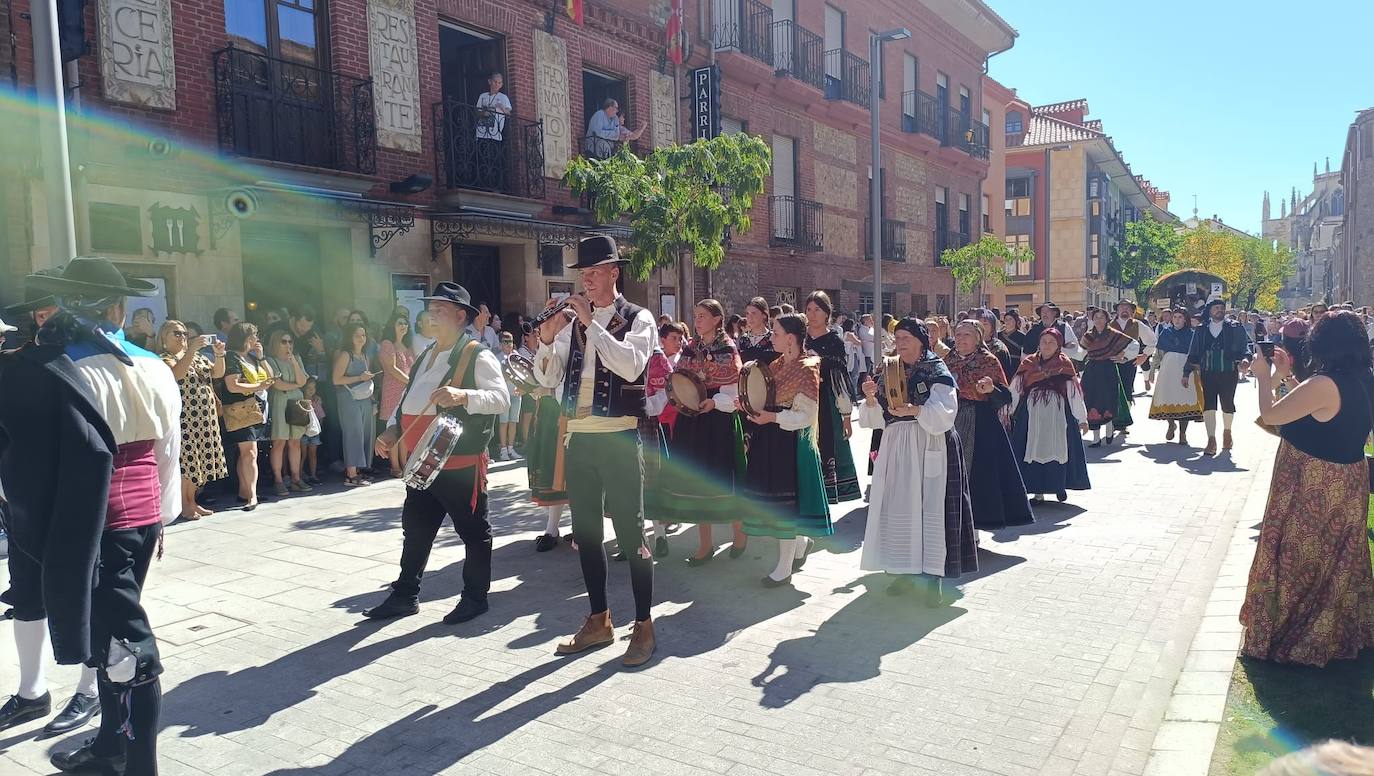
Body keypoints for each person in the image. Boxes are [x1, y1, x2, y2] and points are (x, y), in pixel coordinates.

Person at [0, 257, 181, 775]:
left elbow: (21, 461)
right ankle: (108, 744)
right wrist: (162, 517)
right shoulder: (154, 366)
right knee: (109, 636)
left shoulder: (57, 370)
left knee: (128, 647)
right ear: (119, 308)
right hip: (141, 519)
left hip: (92, 527)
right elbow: (168, 452)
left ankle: (139, 766)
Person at [531, 235, 658, 667]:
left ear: (613, 273)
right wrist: (548, 340)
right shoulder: (572, 324)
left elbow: (630, 365)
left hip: (620, 436)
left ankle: (643, 624)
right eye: (582, 273)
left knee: (632, 534)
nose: (585, 279)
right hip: (580, 437)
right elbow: (548, 381)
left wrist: (593, 325)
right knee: (585, 534)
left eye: (593, 271)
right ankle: (599, 619)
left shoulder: (639, 318)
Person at [362, 283, 507, 626]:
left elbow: (501, 398)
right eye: (431, 309)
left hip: (459, 463)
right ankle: (405, 595)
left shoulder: (477, 354)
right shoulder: (426, 354)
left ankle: (475, 597)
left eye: (440, 310)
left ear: (460, 316)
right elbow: (409, 397)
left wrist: (463, 395)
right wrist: (393, 428)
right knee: (416, 529)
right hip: (422, 462)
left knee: (473, 531)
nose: (431, 315)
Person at [1241, 311, 1374, 666]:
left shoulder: (1324, 383)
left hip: (1315, 481)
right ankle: (1338, 630)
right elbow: (1321, 409)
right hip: (1349, 480)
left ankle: (1296, 634)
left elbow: (1272, 416)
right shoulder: (1363, 378)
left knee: (1302, 556)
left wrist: (1264, 378)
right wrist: (1288, 377)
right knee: (1339, 558)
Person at [857, 317, 976, 606]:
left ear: (921, 340)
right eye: (896, 338)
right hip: (897, 446)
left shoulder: (936, 368)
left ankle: (933, 577)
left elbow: (946, 411)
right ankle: (902, 570)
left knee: (930, 508)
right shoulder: (888, 368)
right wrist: (871, 399)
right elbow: (874, 418)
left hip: (930, 443)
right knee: (900, 507)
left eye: (905, 338)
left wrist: (915, 409)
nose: (899, 343)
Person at [738, 313, 831, 587]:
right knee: (781, 503)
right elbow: (764, 399)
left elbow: (806, 415)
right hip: (771, 438)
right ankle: (800, 544)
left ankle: (784, 567)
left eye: (776, 333)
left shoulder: (808, 367)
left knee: (786, 505)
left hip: (791, 443)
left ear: (790, 338)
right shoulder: (776, 364)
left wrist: (773, 418)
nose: (772, 337)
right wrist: (746, 404)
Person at [659, 299, 747, 564]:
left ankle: (739, 532)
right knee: (698, 482)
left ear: (717, 319)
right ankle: (705, 544)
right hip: (693, 418)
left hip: (718, 419)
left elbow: (733, 391)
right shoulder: (690, 347)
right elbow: (679, 379)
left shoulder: (727, 347)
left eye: (702, 316)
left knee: (722, 478)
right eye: (695, 315)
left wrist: (714, 402)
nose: (697, 320)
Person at [945, 320, 1033, 529]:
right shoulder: (947, 360)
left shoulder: (989, 361)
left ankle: (975, 527)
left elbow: (1005, 396)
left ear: (978, 338)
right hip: (950, 419)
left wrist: (990, 389)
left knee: (978, 474)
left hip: (980, 422)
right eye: (957, 334)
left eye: (966, 335)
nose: (960, 339)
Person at [1008, 329, 1090, 503]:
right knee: (1032, 447)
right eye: (1044, 341)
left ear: (1058, 345)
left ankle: (1059, 486)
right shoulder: (1029, 362)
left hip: (1058, 413)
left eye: (1051, 342)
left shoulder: (1065, 364)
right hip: (1032, 412)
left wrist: (1082, 419)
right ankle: (1038, 492)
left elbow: (1074, 393)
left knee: (1058, 447)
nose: (1047, 345)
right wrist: (1008, 411)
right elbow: (1016, 388)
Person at [158, 320, 228, 520]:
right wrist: (190, 352)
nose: (182, 337)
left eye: (184, 334)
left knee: (199, 463)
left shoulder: (197, 357)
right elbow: (176, 375)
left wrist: (219, 354)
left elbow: (217, 373)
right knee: (186, 463)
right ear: (164, 337)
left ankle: (192, 501)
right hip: (185, 418)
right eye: (176, 333)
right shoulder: (165, 358)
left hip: (205, 417)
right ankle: (183, 504)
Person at [803, 291, 861, 504]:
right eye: (809, 309)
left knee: (825, 449)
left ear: (827, 313)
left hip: (825, 404)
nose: (812, 314)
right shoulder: (800, 337)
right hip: (799, 402)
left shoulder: (834, 341)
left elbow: (840, 382)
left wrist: (846, 416)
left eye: (817, 309)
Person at [1184, 297, 1252, 456]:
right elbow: (1193, 351)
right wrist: (1186, 372)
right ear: (1210, 311)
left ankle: (1227, 432)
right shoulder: (1201, 329)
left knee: (1228, 403)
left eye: (1221, 308)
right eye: (1216, 308)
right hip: (1208, 372)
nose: (1219, 310)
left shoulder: (1235, 327)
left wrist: (1245, 359)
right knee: (1209, 405)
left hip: (1229, 371)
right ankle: (1211, 439)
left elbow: (1246, 347)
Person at [218, 322, 273, 509]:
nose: (256, 339)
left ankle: (246, 491)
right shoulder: (232, 357)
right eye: (253, 336)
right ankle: (252, 496)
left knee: (246, 453)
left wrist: (262, 357)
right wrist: (258, 387)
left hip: (255, 410)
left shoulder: (251, 357)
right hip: (240, 410)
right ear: (244, 338)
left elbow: (269, 378)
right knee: (250, 453)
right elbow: (232, 384)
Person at [1080, 308, 1138, 447]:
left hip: (1108, 369)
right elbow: (1079, 351)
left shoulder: (1113, 334)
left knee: (1107, 399)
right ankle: (1096, 438)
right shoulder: (1088, 336)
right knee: (1091, 400)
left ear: (1107, 319)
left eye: (1101, 317)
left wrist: (1122, 355)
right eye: (1096, 317)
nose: (1098, 320)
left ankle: (1109, 427)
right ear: (1092, 320)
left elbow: (1134, 344)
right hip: (1092, 370)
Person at [265, 329, 311, 497]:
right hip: (280, 401)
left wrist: (295, 364)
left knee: (295, 442)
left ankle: (296, 478)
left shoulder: (296, 359)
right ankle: (278, 480)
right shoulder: (270, 360)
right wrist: (296, 385)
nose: (287, 345)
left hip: (296, 401)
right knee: (279, 442)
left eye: (290, 341)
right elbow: (278, 385)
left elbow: (303, 380)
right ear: (276, 343)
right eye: (283, 341)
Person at [1148, 309, 1203, 445]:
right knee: (1167, 396)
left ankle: (1183, 433)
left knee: (1184, 398)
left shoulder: (1192, 334)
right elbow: (1158, 353)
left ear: (1185, 319)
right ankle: (1171, 424)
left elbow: (1196, 354)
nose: (1177, 319)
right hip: (1167, 369)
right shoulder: (1166, 333)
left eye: (1180, 317)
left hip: (1186, 368)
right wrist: (1152, 369)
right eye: (1175, 317)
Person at [332, 323, 377, 487]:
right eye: (357, 335)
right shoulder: (345, 355)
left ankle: (358, 471)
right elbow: (336, 379)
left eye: (363, 335)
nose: (361, 338)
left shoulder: (365, 356)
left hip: (364, 398)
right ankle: (351, 474)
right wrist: (359, 378)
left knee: (364, 432)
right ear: (350, 337)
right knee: (353, 433)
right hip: (347, 398)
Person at [378, 310, 415, 477]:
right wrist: (410, 381)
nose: (403, 326)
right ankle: (394, 466)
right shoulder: (387, 344)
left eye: (405, 323)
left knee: (404, 427)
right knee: (393, 427)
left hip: (406, 392)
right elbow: (391, 369)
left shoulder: (408, 346)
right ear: (392, 325)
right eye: (400, 323)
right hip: (393, 390)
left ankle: (405, 462)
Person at [474, 71, 512, 190]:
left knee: (495, 160)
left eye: (499, 83)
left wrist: (502, 108)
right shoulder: (483, 96)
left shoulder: (503, 98)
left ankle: (495, 186)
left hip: (495, 134)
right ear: (490, 82)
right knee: (482, 159)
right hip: (481, 132)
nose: (497, 84)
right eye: (495, 82)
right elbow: (476, 112)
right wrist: (482, 113)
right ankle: (482, 184)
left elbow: (509, 114)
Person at [1113, 300, 1157, 403]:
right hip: (1111, 363)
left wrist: (1145, 355)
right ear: (1117, 310)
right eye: (1122, 308)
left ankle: (1126, 417)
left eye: (1127, 308)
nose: (1124, 310)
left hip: (1129, 363)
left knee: (1127, 391)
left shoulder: (1137, 324)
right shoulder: (1109, 324)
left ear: (1132, 311)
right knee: (1112, 392)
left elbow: (1152, 340)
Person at [494, 332, 523, 460]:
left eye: (510, 341)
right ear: (500, 344)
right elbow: (501, 376)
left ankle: (511, 448)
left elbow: (522, 373)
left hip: (516, 392)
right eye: (505, 342)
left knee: (513, 421)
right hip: (504, 393)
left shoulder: (516, 356)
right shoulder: (497, 357)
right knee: (503, 422)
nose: (509, 344)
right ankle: (503, 450)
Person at [738, 296, 775, 364]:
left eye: (754, 313)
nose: (750, 317)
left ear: (764, 315)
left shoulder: (773, 338)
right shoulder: (743, 339)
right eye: (747, 313)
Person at [301, 377, 324, 485]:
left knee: (313, 453)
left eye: (313, 388)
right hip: (303, 431)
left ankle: (313, 475)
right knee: (303, 454)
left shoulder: (316, 400)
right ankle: (299, 473)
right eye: (308, 388)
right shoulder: (300, 400)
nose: (311, 390)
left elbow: (321, 415)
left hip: (314, 431)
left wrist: (320, 428)